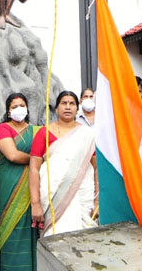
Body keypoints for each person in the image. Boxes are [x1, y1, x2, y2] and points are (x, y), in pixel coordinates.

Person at [30, 91, 98, 236]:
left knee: (82, 238)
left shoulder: (86, 134)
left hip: (81, 196)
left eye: (72, 103)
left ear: (77, 108)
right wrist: (35, 204)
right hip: (53, 197)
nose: (68, 107)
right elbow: (34, 169)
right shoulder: (44, 132)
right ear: (56, 108)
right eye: (64, 103)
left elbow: (96, 168)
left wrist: (97, 201)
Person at [0, 93, 41, 270]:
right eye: (14, 107)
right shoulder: (3, 129)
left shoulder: (36, 131)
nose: (19, 109)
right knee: (10, 228)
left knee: (32, 227)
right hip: (9, 184)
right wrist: (36, 159)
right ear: (8, 111)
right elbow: (12, 155)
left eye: (22, 105)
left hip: (32, 185)